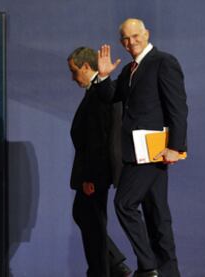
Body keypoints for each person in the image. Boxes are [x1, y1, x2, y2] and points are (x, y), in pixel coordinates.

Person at [95, 18, 188, 277]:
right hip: (136, 151)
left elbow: (178, 108)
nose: (130, 42)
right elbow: (110, 96)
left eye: (135, 36)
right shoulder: (129, 70)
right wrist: (103, 77)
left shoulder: (163, 62)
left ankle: (148, 267)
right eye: (125, 38)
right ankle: (168, 272)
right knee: (157, 214)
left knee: (124, 203)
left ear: (146, 34)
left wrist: (175, 147)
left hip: (154, 151)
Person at [68, 47, 132, 277]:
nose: (73, 77)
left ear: (86, 67)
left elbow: (98, 139)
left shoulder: (101, 93)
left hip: (96, 172)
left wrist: (89, 177)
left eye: (74, 71)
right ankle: (113, 266)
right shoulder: (97, 91)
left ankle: (106, 270)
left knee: (92, 222)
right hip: (97, 170)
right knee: (86, 217)